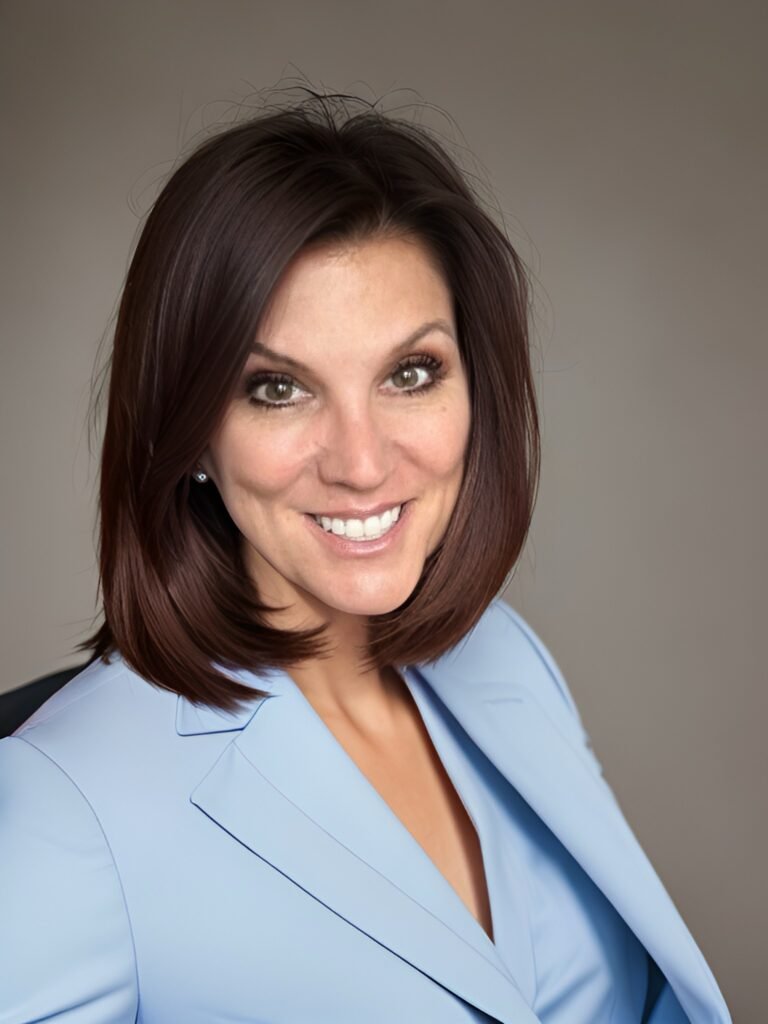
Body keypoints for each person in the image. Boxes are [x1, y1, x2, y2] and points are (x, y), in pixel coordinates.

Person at [0, 91, 731, 1024]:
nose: (362, 462)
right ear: (189, 431)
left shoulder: (506, 659)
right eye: (277, 389)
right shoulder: (68, 806)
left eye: (410, 374)